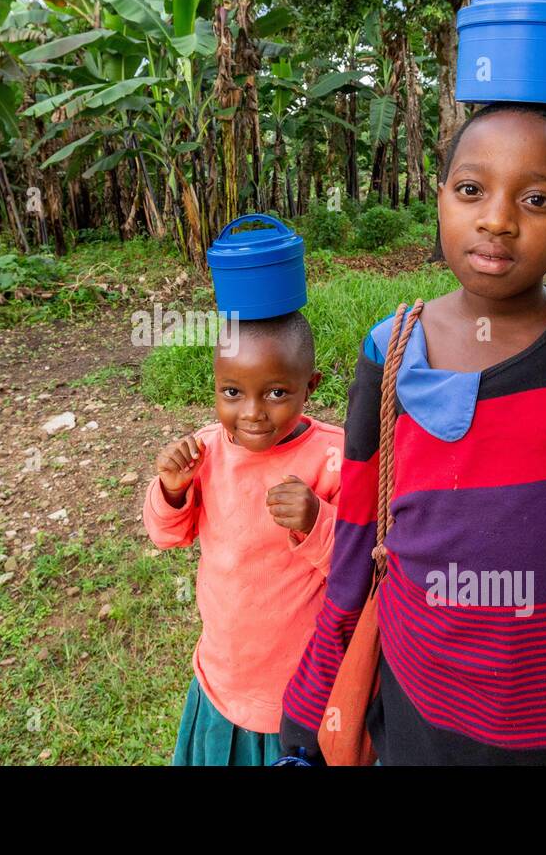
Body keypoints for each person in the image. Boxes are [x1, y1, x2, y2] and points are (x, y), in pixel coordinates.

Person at [280, 102, 546, 765]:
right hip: (421, 711)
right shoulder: (389, 350)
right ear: (442, 200)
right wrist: (313, 706)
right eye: (471, 190)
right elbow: (359, 536)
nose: (497, 220)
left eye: (537, 199)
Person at [143, 311, 344, 765]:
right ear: (215, 386)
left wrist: (317, 520)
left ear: (310, 386)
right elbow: (166, 535)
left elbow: (361, 567)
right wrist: (172, 489)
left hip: (305, 684)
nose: (252, 412)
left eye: (276, 392)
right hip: (224, 672)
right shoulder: (206, 450)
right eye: (232, 392)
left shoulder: (333, 457)